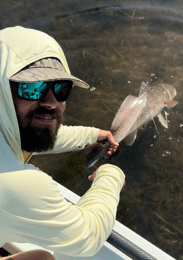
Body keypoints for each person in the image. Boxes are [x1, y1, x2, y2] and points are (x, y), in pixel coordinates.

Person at [0, 26, 125, 259]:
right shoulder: (16, 184)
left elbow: (26, 134)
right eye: (31, 88)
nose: (51, 102)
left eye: (61, 88)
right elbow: (87, 237)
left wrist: (91, 134)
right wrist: (110, 176)